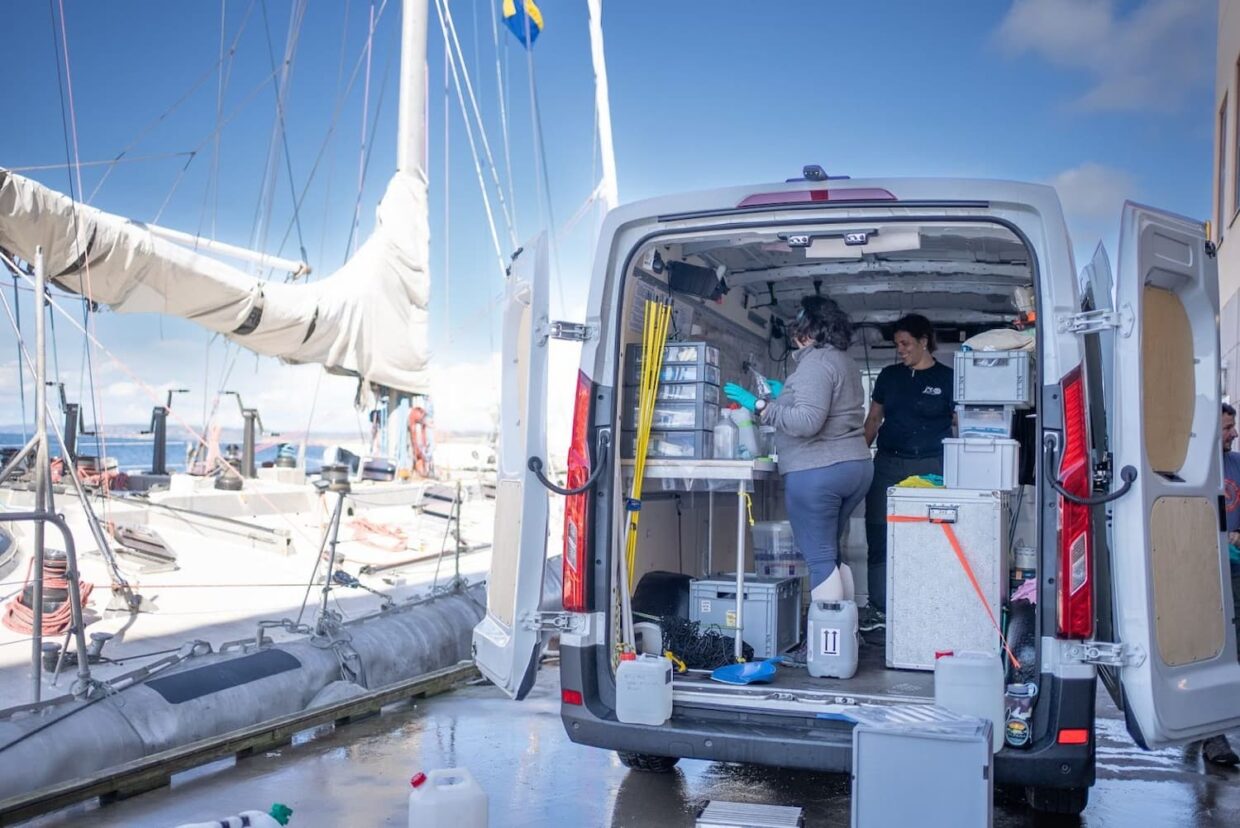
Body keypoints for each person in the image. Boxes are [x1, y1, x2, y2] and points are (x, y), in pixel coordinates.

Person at [725, 296, 873, 603]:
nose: (795, 337)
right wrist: (784, 397)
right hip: (853, 466)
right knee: (831, 552)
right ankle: (846, 633)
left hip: (819, 469)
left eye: (799, 329)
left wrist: (762, 405)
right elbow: (826, 407)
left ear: (811, 330)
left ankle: (825, 645)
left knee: (819, 558)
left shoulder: (816, 362)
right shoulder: (842, 360)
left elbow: (807, 422)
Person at [859, 314, 954, 631]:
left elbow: (961, 423)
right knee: (879, 535)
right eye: (897, 344)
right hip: (888, 464)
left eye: (906, 343)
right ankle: (878, 608)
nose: (900, 349)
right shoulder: (889, 376)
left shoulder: (948, 379)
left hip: (931, 467)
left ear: (924, 341)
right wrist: (858, 458)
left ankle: (924, 605)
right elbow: (873, 420)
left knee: (927, 538)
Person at [1200, 403, 1240, 766]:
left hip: (1236, 572)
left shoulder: (1237, 465)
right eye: (1228, 427)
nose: (1234, 433)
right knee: (1211, 650)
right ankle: (1212, 737)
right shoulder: (1194, 468)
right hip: (1202, 574)